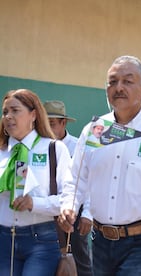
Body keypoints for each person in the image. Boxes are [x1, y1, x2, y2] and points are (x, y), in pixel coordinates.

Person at [58, 55, 141, 276]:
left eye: (127, 81)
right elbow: (77, 177)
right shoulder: (96, 130)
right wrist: (68, 205)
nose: (118, 88)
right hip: (99, 241)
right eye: (112, 82)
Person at [0, 89, 71, 275]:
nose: (8, 117)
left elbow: (68, 198)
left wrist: (34, 203)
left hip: (41, 240)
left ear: (33, 114)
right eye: (5, 112)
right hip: (3, 239)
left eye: (15, 110)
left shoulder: (54, 149)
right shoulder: (1, 152)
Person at [43, 100, 93, 276]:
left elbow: (88, 182)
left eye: (52, 124)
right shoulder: (40, 147)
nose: (47, 129)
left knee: (79, 262)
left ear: (63, 123)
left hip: (74, 213)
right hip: (47, 210)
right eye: (44, 123)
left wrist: (87, 213)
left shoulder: (78, 145)